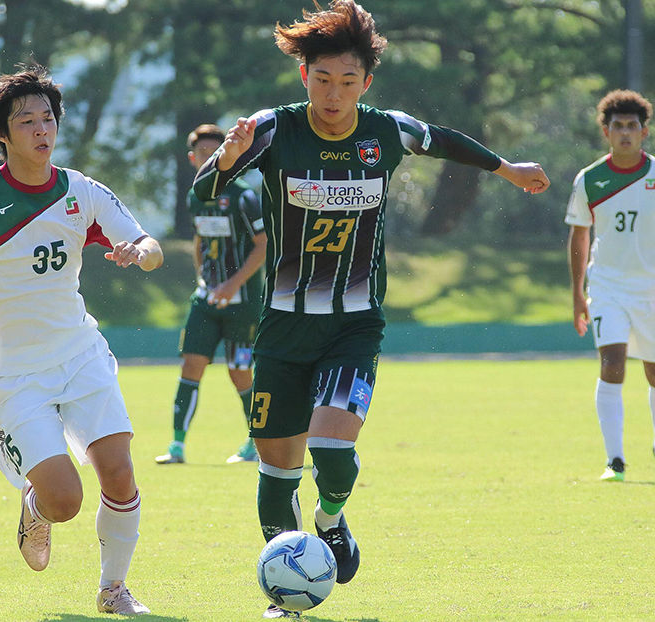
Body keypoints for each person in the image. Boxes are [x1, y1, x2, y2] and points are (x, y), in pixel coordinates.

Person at [192, 2, 550, 617]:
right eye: (322, 79)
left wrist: (508, 169)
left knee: (331, 453)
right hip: (281, 329)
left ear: (366, 83)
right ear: (304, 76)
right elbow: (205, 191)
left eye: (347, 81)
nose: (334, 94)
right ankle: (288, 596)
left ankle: (331, 518)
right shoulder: (271, 130)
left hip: (354, 326)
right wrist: (226, 159)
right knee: (276, 478)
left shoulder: (387, 132)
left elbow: (445, 141)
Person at [0, 66, 162, 616]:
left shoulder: (82, 191)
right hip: (14, 374)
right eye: (26, 121)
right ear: (2, 134)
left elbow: (148, 244)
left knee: (120, 473)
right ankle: (36, 507)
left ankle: (114, 590)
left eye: (47, 118)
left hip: (80, 354)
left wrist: (140, 252)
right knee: (65, 500)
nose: (41, 129)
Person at [565, 89, 655, 483]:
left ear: (644, 132)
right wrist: (578, 292)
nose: (625, 132)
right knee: (611, 364)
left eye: (632, 126)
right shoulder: (589, 180)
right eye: (618, 126)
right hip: (607, 286)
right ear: (606, 131)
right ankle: (615, 461)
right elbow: (580, 235)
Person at [155, 123, 267, 465]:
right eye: (201, 153)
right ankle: (177, 447)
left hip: (242, 304)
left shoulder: (244, 197)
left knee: (240, 372)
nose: (208, 157)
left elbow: (263, 244)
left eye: (213, 152)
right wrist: (202, 278)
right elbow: (200, 240)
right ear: (192, 158)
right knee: (191, 365)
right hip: (206, 300)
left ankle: (256, 444)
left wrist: (232, 284)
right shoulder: (195, 196)